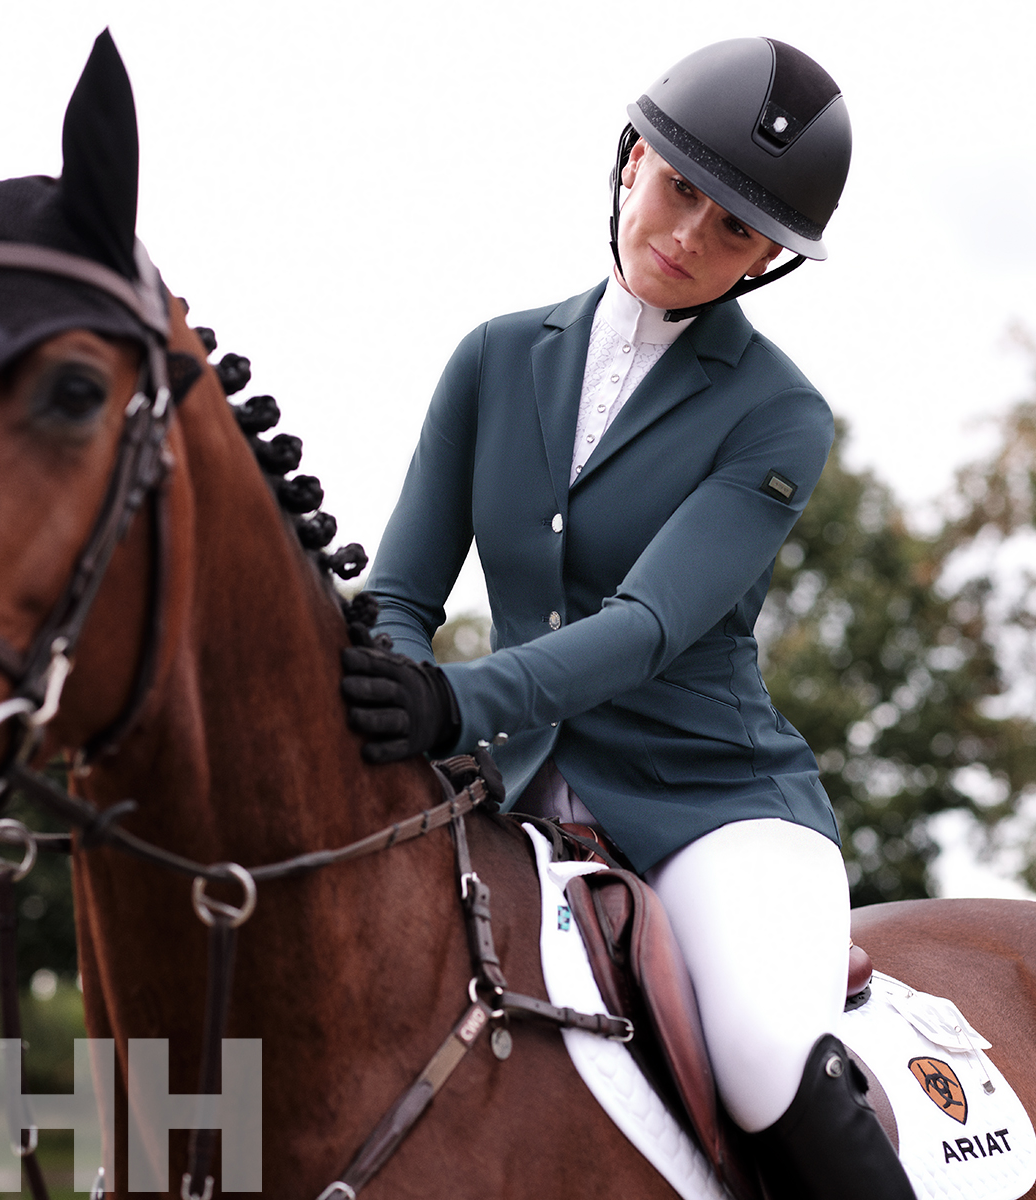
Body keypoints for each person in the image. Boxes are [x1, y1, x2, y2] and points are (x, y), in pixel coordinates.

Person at [342, 37, 915, 1200]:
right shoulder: (493, 358)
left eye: (736, 231)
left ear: (767, 260)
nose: (691, 238)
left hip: (713, 806)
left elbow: (652, 623)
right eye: (681, 190)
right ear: (631, 161)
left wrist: (455, 698)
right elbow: (401, 594)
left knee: (763, 1060)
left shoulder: (779, 412)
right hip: (501, 792)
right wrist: (400, 685)